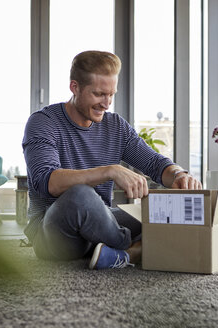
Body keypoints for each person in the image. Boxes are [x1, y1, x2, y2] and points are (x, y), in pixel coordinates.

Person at [22, 50, 202, 270]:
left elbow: (155, 164)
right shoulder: (43, 122)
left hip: (101, 227)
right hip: (54, 234)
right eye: (98, 94)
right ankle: (136, 249)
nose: (106, 104)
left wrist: (178, 174)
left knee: (169, 208)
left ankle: (120, 251)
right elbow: (47, 182)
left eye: (111, 95)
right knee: (80, 195)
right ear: (75, 87)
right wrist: (110, 171)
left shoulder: (115, 126)